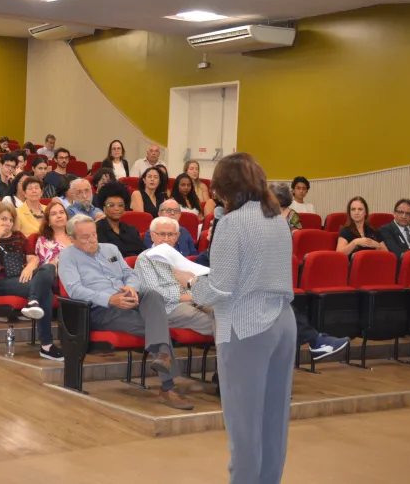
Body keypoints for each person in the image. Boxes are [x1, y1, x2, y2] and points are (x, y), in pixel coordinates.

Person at [172, 152, 297, 483]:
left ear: (225, 189)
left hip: (247, 327)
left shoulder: (231, 223)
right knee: (273, 421)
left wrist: (187, 281)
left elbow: (220, 289)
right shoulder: (277, 219)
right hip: (283, 322)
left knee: (244, 427)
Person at [60, 214, 191, 410]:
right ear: (72, 239)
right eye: (85, 237)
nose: (92, 240)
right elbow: (74, 289)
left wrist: (130, 287)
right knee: (155, 325)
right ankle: (167, 386)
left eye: (94, 235)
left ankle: (163, 357)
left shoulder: (111, 249)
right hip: (101, 309)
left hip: (129, 298)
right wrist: (110, 299)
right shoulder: (67, 256)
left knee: (153, 295)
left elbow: (130, 274)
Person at [0, 202, 62, 360]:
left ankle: (33, 301)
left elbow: (33, 258)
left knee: (48, 268)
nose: (7, 223)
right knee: (45, 290)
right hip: (0, 281)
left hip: (23, 277)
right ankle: (47, 345)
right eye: (3, 219)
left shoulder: (19, 237)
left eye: (10, 220)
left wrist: (30, 266)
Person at [137, 216, 214, 335]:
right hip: (165, 307)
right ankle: (233, 349)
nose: (166, 239)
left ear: (177, 236)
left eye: (171, 235)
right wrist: (188, 297)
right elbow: (154, 293)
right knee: (212, 322)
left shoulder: (178, 256)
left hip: (191, 299)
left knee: (220, 312)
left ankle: (233, 348)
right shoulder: (145, 258)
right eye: (162, 234)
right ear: (152, 235)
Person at [95, 182, 146, 258]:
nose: (116, 208)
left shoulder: (132, 230)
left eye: (120, 205)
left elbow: (142, 254)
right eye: (111, 205)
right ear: (104, 208)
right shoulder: (96, 230)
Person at [35, 200, 72, 266]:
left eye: (61, 212)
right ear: (48, 221)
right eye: (53, 214)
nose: (59, 216)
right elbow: (48, 268)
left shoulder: (76, 235)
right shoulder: (43, 241)